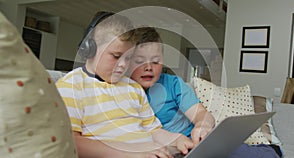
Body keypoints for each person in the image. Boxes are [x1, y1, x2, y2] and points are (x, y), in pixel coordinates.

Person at [128, 27, 282, 158]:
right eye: (140, 61)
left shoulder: (172, 84)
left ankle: (269, 151)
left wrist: (203, 125)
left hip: (197, 145)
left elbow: (201, 114)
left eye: (155, 61)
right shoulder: (120, 92)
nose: (148, 67)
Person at [56, 12, 193, 158]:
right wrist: (130, 153)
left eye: (128, 57)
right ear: (90, 49)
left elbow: (154, 131)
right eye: (116, 56)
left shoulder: (133, 88)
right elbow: (72, 142)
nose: (123, 65)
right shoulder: (70, 86)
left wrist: (177, 139)